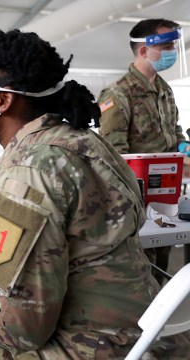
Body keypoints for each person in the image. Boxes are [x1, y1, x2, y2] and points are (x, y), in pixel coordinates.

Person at [0, 29, 189, 359]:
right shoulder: (88, 144)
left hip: (90, 347)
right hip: (144, 337)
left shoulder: (25, 174)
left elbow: (21, 332)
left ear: (2, 101)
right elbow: (86, 233)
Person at [98, 19, 187, 285]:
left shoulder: (163, 89)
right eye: (166, 46)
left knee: (162, 259)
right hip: (136, 197)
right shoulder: (118, 93)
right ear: (144, 51)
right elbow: (114, 154)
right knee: (138, 269)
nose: (172, 51)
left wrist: (183, 145)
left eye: (173, 45)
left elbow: (174, 130)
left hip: (166, 193)